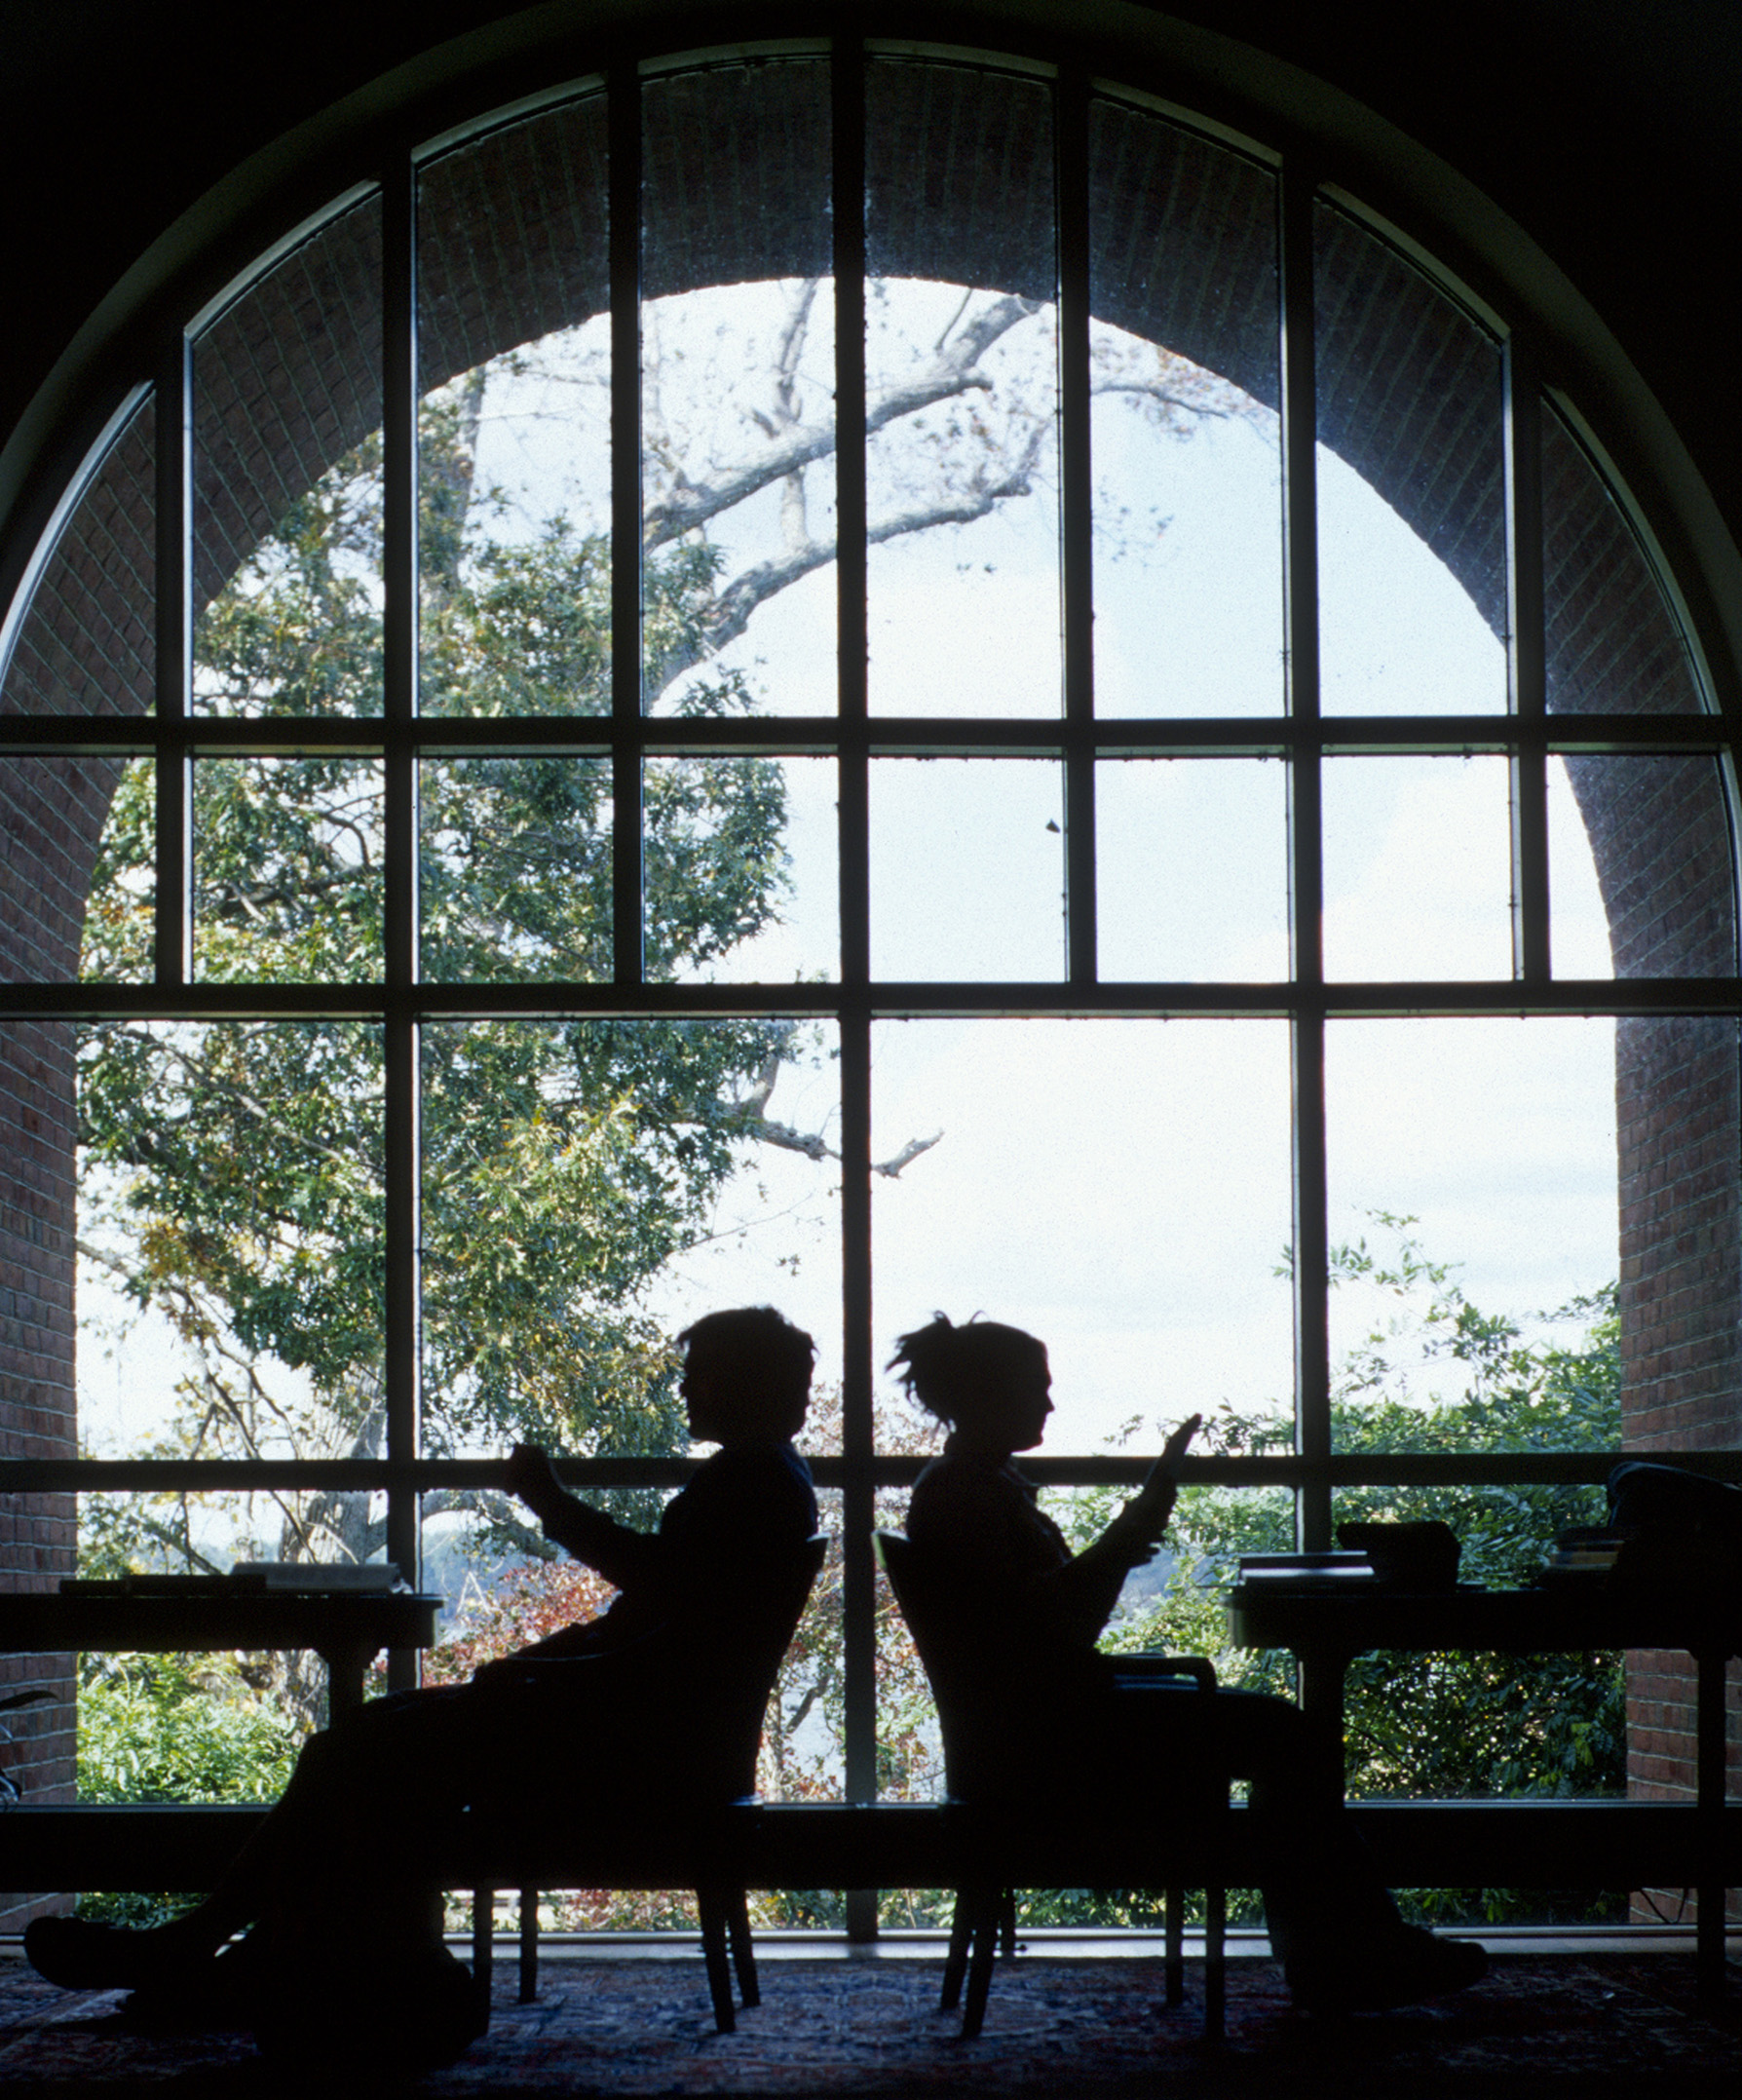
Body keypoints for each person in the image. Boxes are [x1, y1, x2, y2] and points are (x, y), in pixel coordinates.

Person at [26, 1306, 818, 2062]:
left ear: (742, 1382)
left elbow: (654, 1600)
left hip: (619, 1747)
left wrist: (548, 1516)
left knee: (356, 1752)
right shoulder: (767, 1483)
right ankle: (249, 1964)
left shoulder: (747, 1488)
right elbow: (667, 1632)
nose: (684, 1388)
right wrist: (532, 1672)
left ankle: (218, 1956)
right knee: (366, 1747)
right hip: (631, 1735)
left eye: (701, 1373)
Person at [891, 1312, 1488, 2016]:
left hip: (1040, 1726)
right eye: (1035, 1387)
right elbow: (1048, 1629)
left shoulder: (971, 1485)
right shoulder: (966, 1495)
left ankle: (1339, 1950)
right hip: (1053, 1739)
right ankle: (1344, 1950)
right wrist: (1128, 1531)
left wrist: (1136, 1523)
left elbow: (1045, 1625)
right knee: (1285, 1736)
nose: (1049, 1403)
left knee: (1280, 1733)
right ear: (988, 1393)